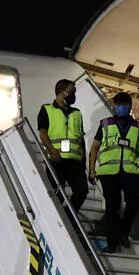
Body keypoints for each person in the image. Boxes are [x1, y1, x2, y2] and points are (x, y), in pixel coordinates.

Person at [87, 91, 139, 253]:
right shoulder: (105, 124)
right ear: (114, 106)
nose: (120, 108)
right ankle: (112, 243)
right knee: (112, 207)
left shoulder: (138, 128)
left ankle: (124, 231)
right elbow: (94, 148)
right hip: (108, 172)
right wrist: (92, 170)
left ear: (129, 107)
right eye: (117, 105)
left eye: (123, 105)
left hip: (131, 171)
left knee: (134, 202)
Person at [37, 79, 87, 213]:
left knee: (82, 191)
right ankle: (52, 218)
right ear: (60, 92)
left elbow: (81, 139)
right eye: (71, 92)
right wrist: (53, 152)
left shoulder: (77, 113)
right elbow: (43, 134)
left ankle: (68, 218)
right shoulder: (47, 110)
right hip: (56, 160)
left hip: (74, 162)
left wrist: (84, 164)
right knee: (57, 194)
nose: (73, 96)